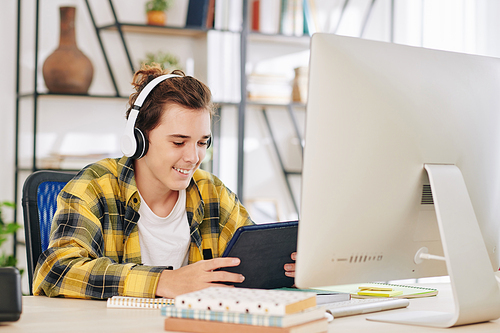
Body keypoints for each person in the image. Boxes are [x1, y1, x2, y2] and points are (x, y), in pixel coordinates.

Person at [32, 65, 295, 299]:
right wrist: (164, 281)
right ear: (139, 139)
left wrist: (285, 267)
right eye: (178, 142)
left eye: (202, 142)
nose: (193, 157)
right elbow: (56, 270)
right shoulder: (95, 187)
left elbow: (254, 260)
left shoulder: (211, 192)